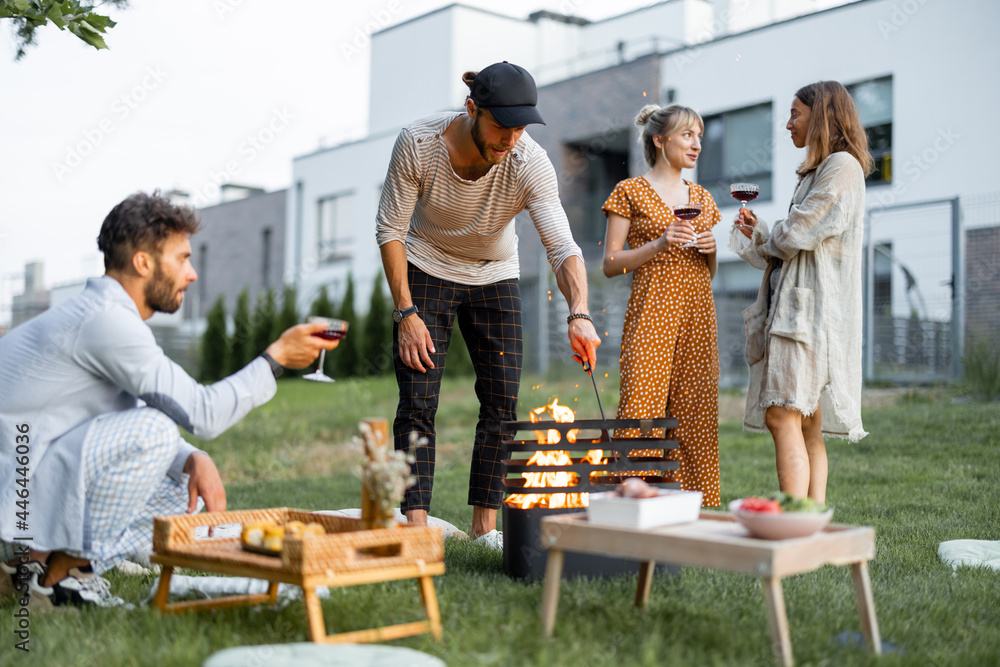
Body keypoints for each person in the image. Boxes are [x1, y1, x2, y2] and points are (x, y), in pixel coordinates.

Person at [0, 191, 339, 608]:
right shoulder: (105, 321)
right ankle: (53, 580)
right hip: (13, 493)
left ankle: (38, 566)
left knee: (181, 486)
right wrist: (275, 360)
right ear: (144, 263)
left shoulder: (107, 315)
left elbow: (129, 408)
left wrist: (191, 458)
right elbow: (201, 412)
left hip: (28, 478)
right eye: (182, 258)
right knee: (156, 434)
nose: (192, 273)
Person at [375, 61, 602, 547]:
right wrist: (405, 313)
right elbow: (390, 230)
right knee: (418, 401)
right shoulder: (418, 142)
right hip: (426, 264)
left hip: (495, 273)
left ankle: (484, 529)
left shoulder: (529, 162)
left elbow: (562, 247)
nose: (511, 139)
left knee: (501, 402)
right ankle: (414, 527)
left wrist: (578, 313)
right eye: (501, 126)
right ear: (472, 109)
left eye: (520, 128)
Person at [730, 81, 874, 503]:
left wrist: (771, 233)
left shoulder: (841, 167)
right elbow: (789, 244)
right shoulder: (816, 171)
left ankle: (795, 521)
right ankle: (809, 521)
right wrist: (759, 233)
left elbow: (796, 234)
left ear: (822, 115)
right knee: (806, 420)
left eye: (796, 113)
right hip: (798, 313)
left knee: (781, 414)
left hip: (809, 318)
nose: (788, 123)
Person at [601, 103, 722, 508]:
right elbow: (609, 264)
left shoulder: (702, 196)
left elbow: (710, 271)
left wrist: (711, 249)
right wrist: (657, 244)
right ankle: (634, 502)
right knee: (641, 405)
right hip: (651, 313)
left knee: (695, 409)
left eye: (700, 136)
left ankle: (693, 507)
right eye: (688, 135)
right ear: (659, 140)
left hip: (696, 316)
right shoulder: (630, 191)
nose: (697, 144)